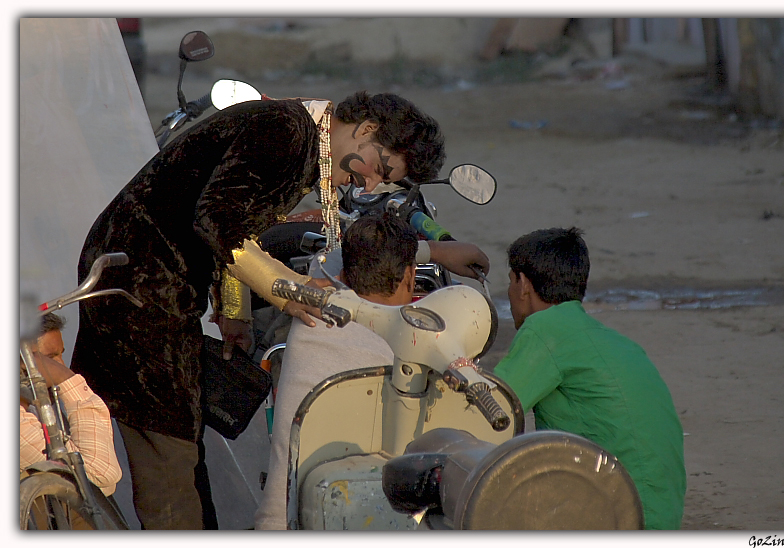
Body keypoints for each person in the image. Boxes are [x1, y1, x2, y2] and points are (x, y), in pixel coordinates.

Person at [72, 90, 488, 529]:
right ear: (366, 130)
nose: (367, 185)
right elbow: (218, 222)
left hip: (149, 284)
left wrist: (236, 314)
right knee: (168, 444)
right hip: (136, 286)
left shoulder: (299, 136)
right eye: (378, 169)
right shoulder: (287, 132)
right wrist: (291, 291)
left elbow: (232, 228)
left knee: (180, 436)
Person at [492, 227, 686, 530]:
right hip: (660, 514)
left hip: (618, 518)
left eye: (509, 281)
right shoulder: (616, 342)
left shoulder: (545, 329)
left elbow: (492, 414)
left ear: (523, 284)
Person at [254, 212, 417, 530]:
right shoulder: (411, 341)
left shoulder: (313, 321)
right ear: (410, 277)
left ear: (343, 274)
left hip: (281, 521)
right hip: (375, 518)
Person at [20, 313, 122, 497]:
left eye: (61, 355)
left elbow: (105, 488)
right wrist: (67, 380)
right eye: (50, 358)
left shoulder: (35, 408)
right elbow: (100, 475)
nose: (61, 365)